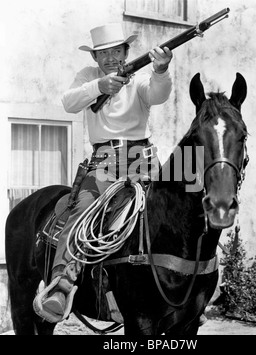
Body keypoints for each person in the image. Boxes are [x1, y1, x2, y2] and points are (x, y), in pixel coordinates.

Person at [39, 23, 173, 322]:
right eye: (104, 53)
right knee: (81, 209)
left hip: (142, 157)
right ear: (96, 59)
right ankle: (62, 285)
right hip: (104, 159)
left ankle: (184, 286)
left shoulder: (138, 78)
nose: (111, 57)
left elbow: (157, 94)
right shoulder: (88, 78)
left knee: (172, 209)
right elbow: (69, 102)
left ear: (126, 52)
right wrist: (100, 86)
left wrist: (161, 70)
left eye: (116, 51)